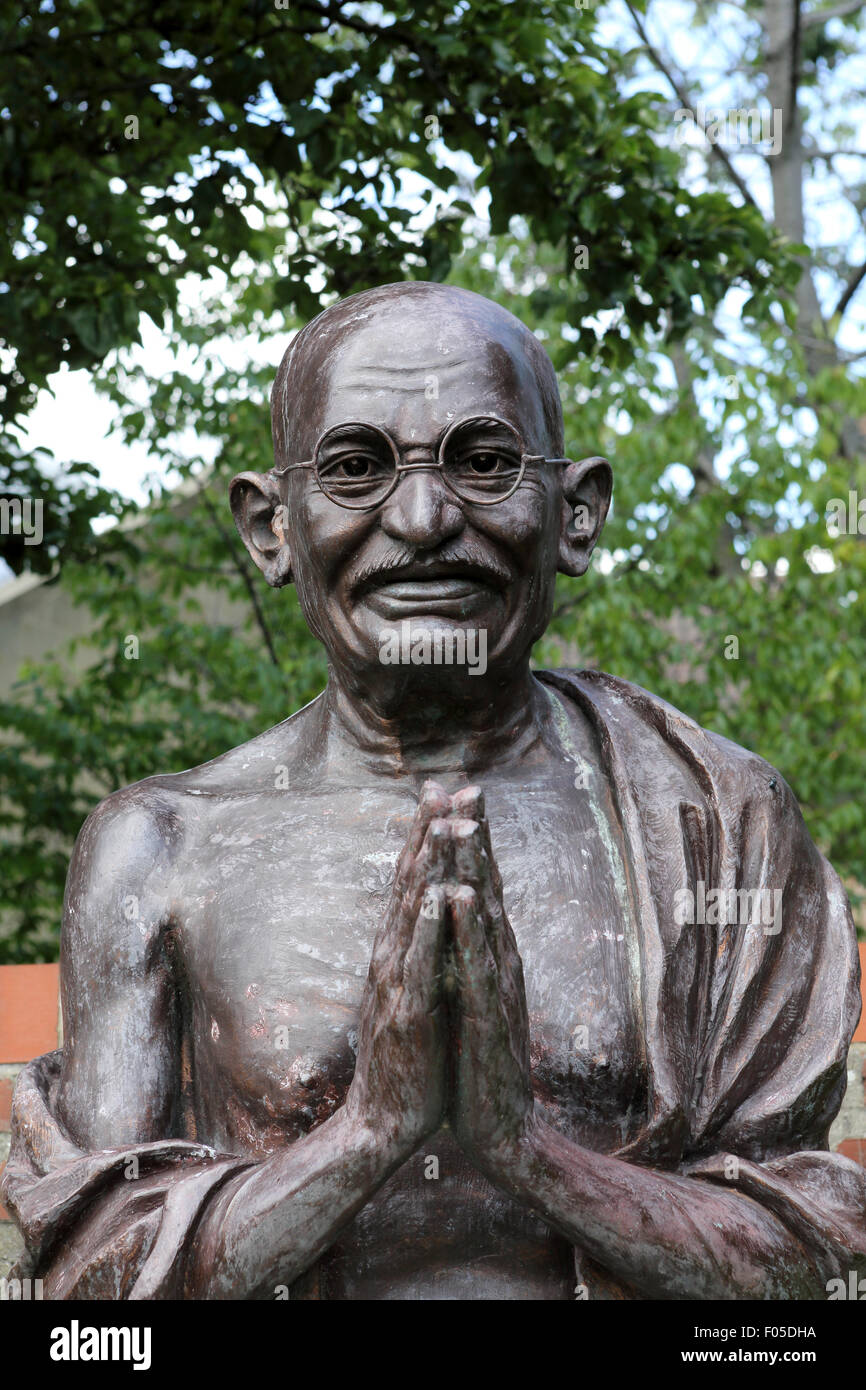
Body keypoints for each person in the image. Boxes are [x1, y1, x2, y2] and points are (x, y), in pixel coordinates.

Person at [4, 282, 864, 1300]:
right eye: (356, 468)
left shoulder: (717, 823)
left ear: (575, 515)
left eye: (484, 461)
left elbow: (803, 1272)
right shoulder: (157, 849)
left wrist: (528, 1147)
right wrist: (370, 1128)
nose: (421, 518)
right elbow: (89, 1302)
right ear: (270, 527)